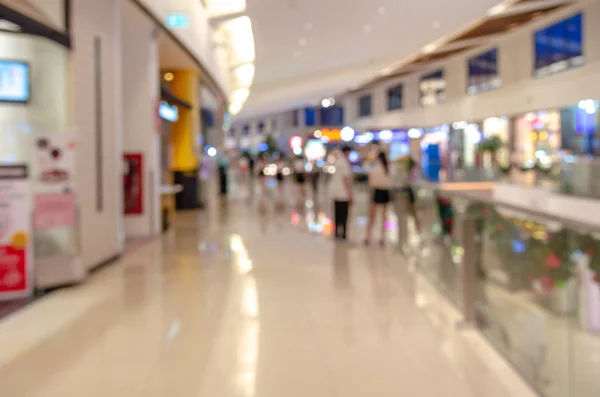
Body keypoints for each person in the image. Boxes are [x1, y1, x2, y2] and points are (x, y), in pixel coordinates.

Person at [365, 150, 393, 246]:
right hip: (385, 191)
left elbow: (371, 181)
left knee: (372, 215)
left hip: (377, 191)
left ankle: (368, 236)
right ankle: (382, 237)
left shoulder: (376, 168)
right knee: (383, 216)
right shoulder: (388, 168)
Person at [330, 146, 353, 240]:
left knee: (337, 213)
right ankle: (343, 233)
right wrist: (350, 194)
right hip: (343, 193)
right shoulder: (345, 163)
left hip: (335, 192)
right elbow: (346, 179)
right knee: (344, 214)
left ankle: (336, 232)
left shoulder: (337, 162)